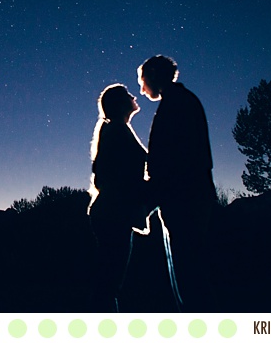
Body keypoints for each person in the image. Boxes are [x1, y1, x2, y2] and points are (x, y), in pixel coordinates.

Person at [138, 55, 217, 311]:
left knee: (189, 275)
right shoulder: (182, 101)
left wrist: (152, 195)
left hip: (184, 200)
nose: (141, 89)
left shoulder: (176, 106)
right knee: (191, 272)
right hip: (189, 196)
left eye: (143, 81)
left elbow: (173, 160)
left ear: (153, 76)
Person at [87, 83, 149, 312]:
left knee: (109, 279)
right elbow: (119, 176)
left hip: (111, 214)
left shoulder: (116, 129)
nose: (134, 96)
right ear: (120, 104)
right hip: (114, 215)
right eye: (127, 95)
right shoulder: (117, 131)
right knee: (109, 282)